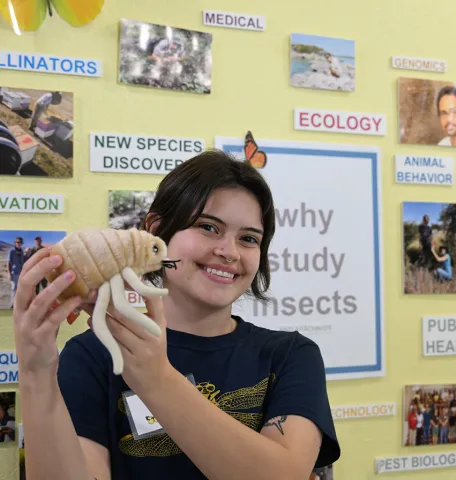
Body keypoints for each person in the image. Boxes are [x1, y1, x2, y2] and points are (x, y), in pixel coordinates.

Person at [13, 150, 340, 480]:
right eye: (208, 227)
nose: (229, 252)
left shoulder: (290, 356)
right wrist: (35, 373)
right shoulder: (95, 354)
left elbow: (284, 474)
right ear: (157, 229)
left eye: (249, 239)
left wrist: (155, 378)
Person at [8, 236, 25, 308]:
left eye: (20, 242)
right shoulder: (11, 251)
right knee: (14, 289)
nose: (19, 243)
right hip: (14, 273)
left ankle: (17, 304)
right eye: (17, 242)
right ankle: (12, 305)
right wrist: (9, 273)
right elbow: (9, 262)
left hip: (20, 273)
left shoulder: (21, 251)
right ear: (15, 242)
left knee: (19, 289)